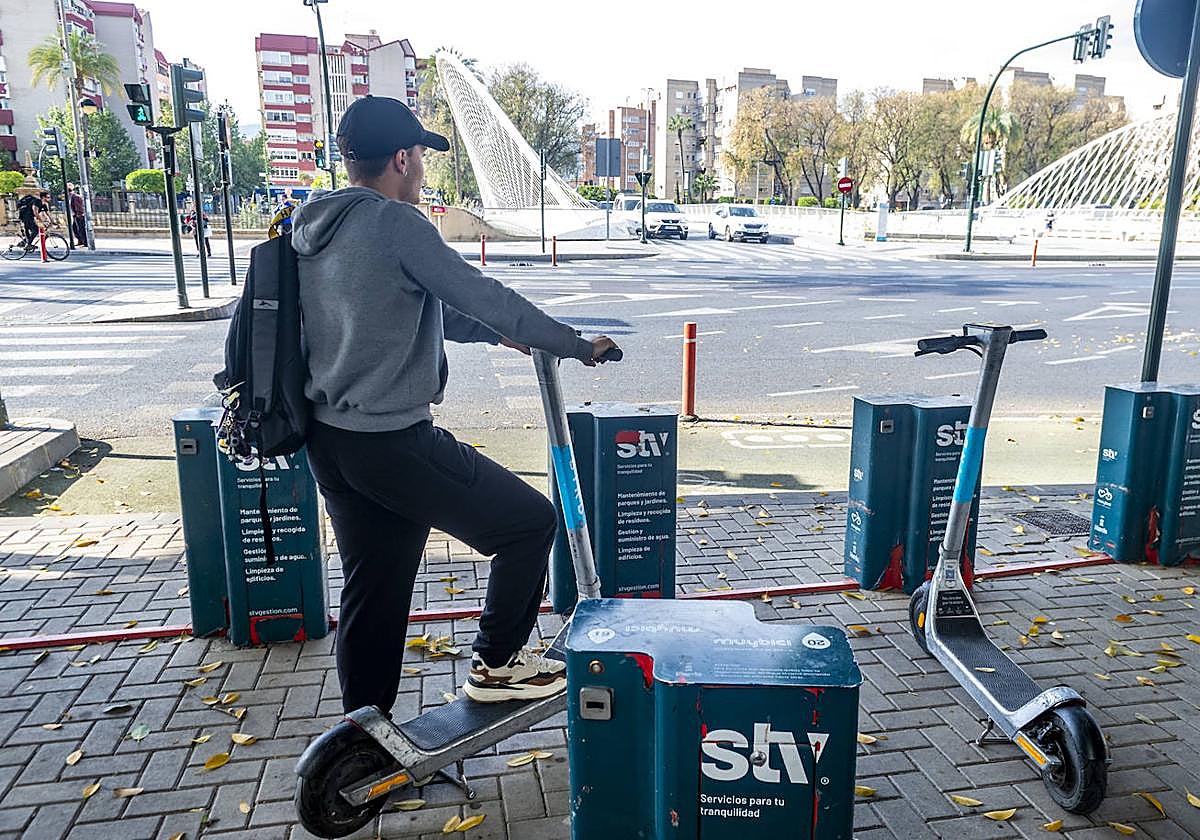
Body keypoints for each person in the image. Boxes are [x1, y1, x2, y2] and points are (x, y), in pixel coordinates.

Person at [291, 95, 616, 716]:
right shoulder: (395, 224)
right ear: (402, 158)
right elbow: (480, 293)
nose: (422, 172)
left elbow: (422, 308)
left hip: (330, 441)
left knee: (374, 589)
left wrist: (499, 335)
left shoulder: (314, 225)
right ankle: (498, 663)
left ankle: (365, 738)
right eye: (419, 159)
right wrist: (572, 345)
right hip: (392, 442)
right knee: (528, 524)